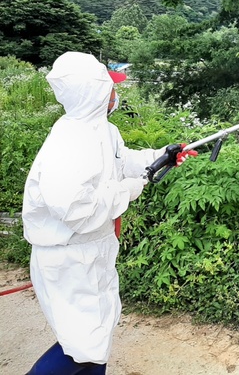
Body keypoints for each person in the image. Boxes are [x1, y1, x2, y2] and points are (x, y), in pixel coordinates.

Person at [21, 51, 197, 375]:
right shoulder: (68, 144)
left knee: (98, 335)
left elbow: (124, 160)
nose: (117, 93)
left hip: (93, 252)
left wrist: (164, 155)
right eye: (111, 87)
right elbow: (76, 210)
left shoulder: (102, 130)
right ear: (95, 93)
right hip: (68, 258)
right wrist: (126, 190)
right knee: (81, 347)